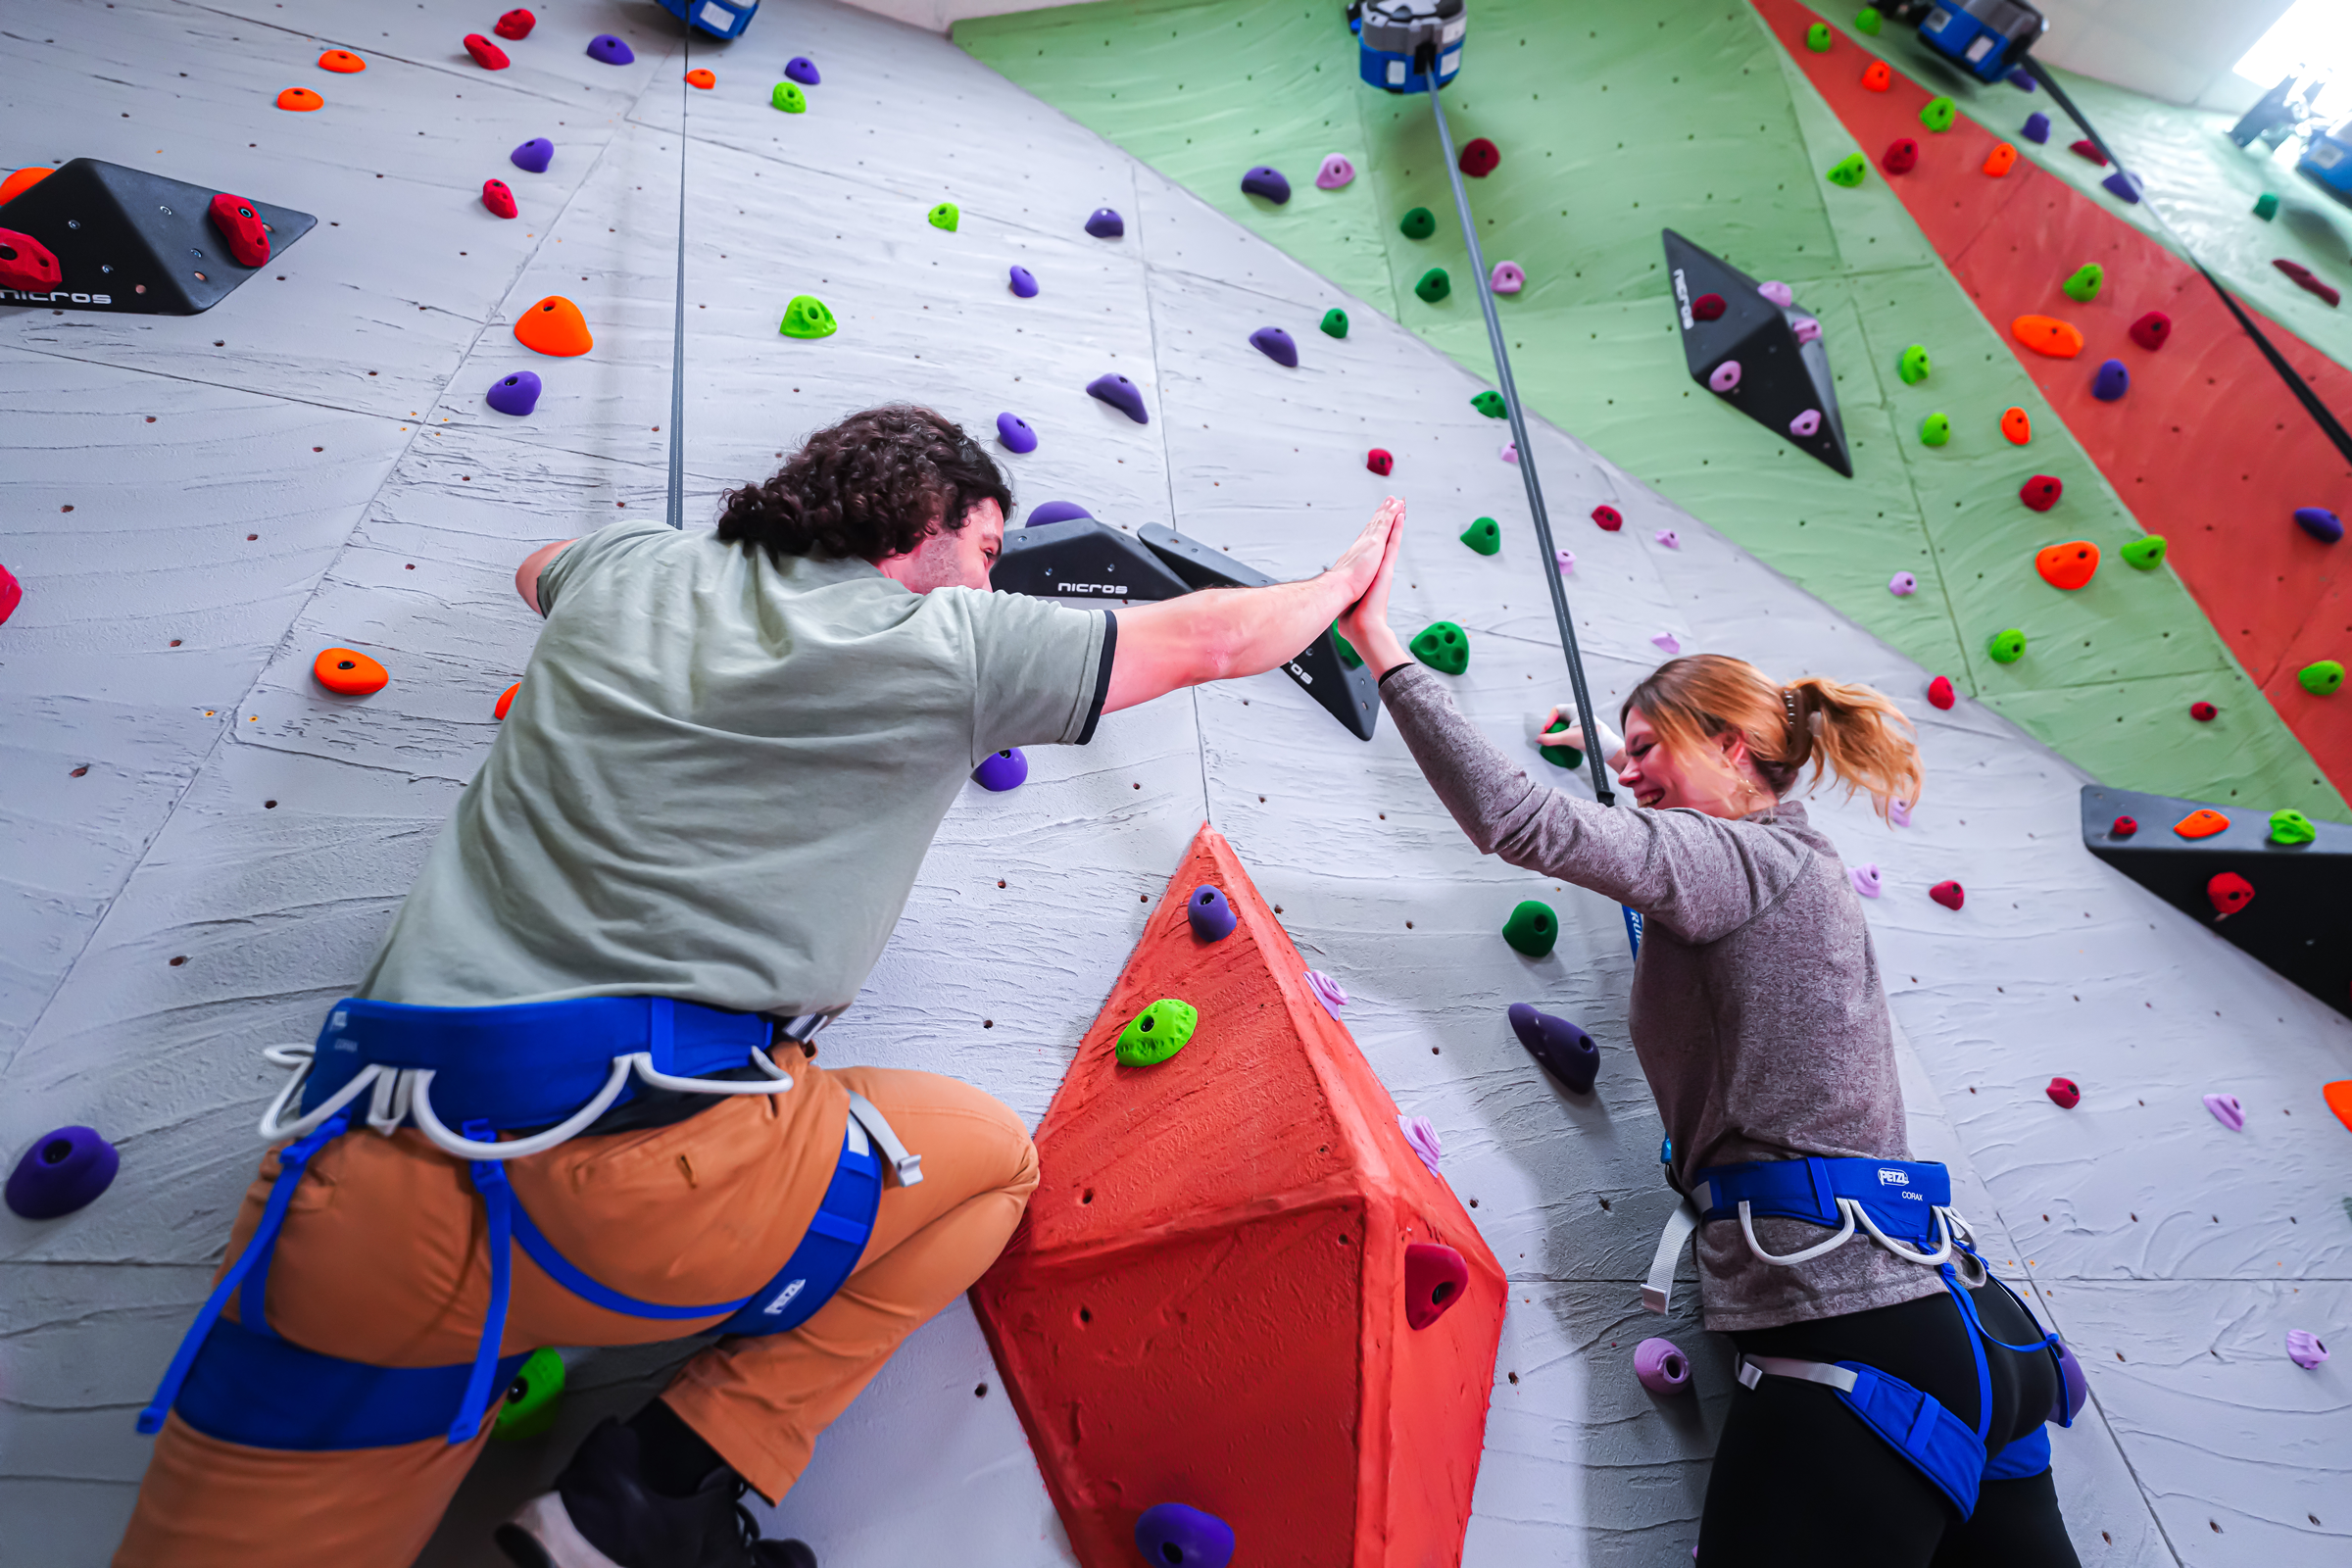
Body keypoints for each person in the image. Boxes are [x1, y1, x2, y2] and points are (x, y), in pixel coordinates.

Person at [117, 406, 1408, 1568]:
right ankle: (654, 1491)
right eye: (989, 541)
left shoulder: (628, 566)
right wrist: (1346, 580)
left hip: (362, 1186)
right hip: (648, 1180)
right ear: (930, 522)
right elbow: (1225, 635)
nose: (992, 572)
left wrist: (679, 589)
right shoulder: (947, 635)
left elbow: (534, 572)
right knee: (986, 1162)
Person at [1335, 532, 2082, 1567]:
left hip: (1849, 1333)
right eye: (1623, 749)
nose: (1631, 772)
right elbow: (1681, 870)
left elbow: (1517, 820)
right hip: (1965, 1325)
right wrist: (1624, 750)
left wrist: (1381, 644)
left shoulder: (1733, 859)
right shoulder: (1792, 861)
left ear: (1734, 746)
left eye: (1648, 749)